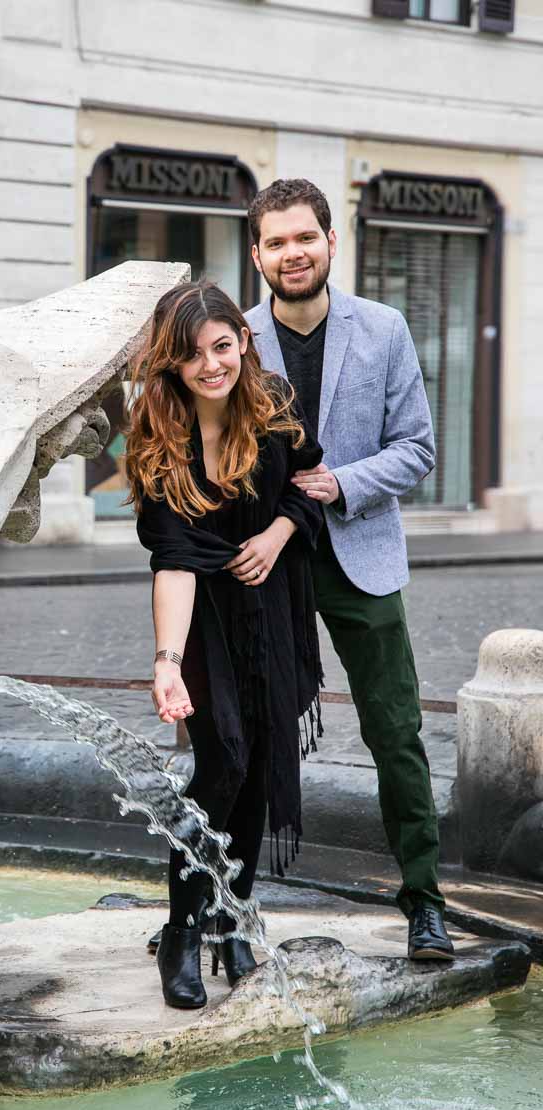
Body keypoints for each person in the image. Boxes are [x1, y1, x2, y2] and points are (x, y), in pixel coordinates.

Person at [244, 177, 454, 962]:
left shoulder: (386, 328)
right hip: (264, 562)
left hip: (360, 554)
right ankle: (226, 898)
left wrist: (345, 482)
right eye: (275, 242)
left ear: (331, 243)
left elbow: (419, 448)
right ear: (257, 254)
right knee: (243, 735)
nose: (292, 253)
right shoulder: (234, 336)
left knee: (396, 732)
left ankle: (424, 901)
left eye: (305, 237)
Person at [125, 282, 324, 1009]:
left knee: (264, 759)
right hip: (205, 618)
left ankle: (232, 917)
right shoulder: (159, 434)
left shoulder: (273, 404)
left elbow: (308, 483)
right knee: (224, 763)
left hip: (274, 608)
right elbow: (173, 558)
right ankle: (182, 927)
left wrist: (276, 534)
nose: (212, 365)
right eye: (194, 353)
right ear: (172, 361)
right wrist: (166, 663)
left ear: (242, 340)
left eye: (222, 345)